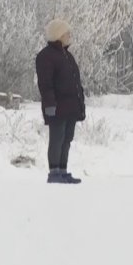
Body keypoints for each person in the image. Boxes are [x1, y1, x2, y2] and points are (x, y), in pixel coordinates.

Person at [35, 19, 86, 184]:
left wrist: (80, 104)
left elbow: (75, 82)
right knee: (57, 139)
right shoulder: (46, 56)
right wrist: (50, 105)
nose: (69, 36)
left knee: (67, 139)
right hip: (57, 107)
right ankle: (54, 172)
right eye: (66, 33)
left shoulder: (67, 55)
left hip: (71, 107)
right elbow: (45, 84)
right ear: (58, 35)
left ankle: (63, 170)